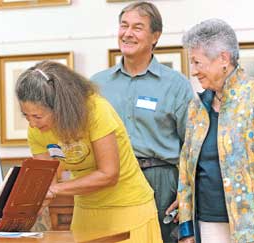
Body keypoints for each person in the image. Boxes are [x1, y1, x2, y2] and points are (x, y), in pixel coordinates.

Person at [16, 60, 163, 243]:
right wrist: (24, 208)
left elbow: (109, 174)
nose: (32, 124)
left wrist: (55, 189)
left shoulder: (94, 110)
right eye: (26, 116)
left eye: (37, 116)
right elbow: (47, 184)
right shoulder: (36, 131)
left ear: (60, 107)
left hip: (128, 207)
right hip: (86, 211)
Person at [90, 2, 193, 242]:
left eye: (137, 27)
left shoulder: (175, 84)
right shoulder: (97, 84)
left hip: (161, 182)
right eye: (123, 26)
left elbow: (192, 146)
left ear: (155, 36)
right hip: (110, 182)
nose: (127, 33)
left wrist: (186, 192)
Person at [178, 18, 254, 243]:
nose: (193, 71)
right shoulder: (197, 107)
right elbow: (186, 169)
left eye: (197, 62)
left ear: (223, 58)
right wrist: (186, 228)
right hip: (206, 224)